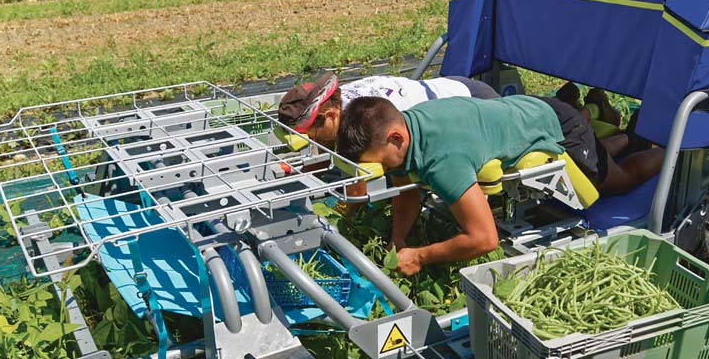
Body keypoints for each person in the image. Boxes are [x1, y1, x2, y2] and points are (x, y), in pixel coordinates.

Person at [336, 95, 663, 275]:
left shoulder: (442, 159)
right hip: (526, 110)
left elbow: (485, 238)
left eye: (377, 162)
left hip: (556, 124)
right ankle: (631, 135)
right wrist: (398, 239)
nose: (377, 170)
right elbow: (406, 189)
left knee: (615, 182)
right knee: (597, 157)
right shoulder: (405, 128)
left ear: (395, 138)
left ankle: (671, 148)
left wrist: (420, 256)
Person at [276, 72, 499, 148]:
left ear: (331, 116)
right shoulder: (337, 102)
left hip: (473, 103)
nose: (313, 144)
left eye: (312, 137)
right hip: (452, 84)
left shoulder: (362, 123)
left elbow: (359, 185)